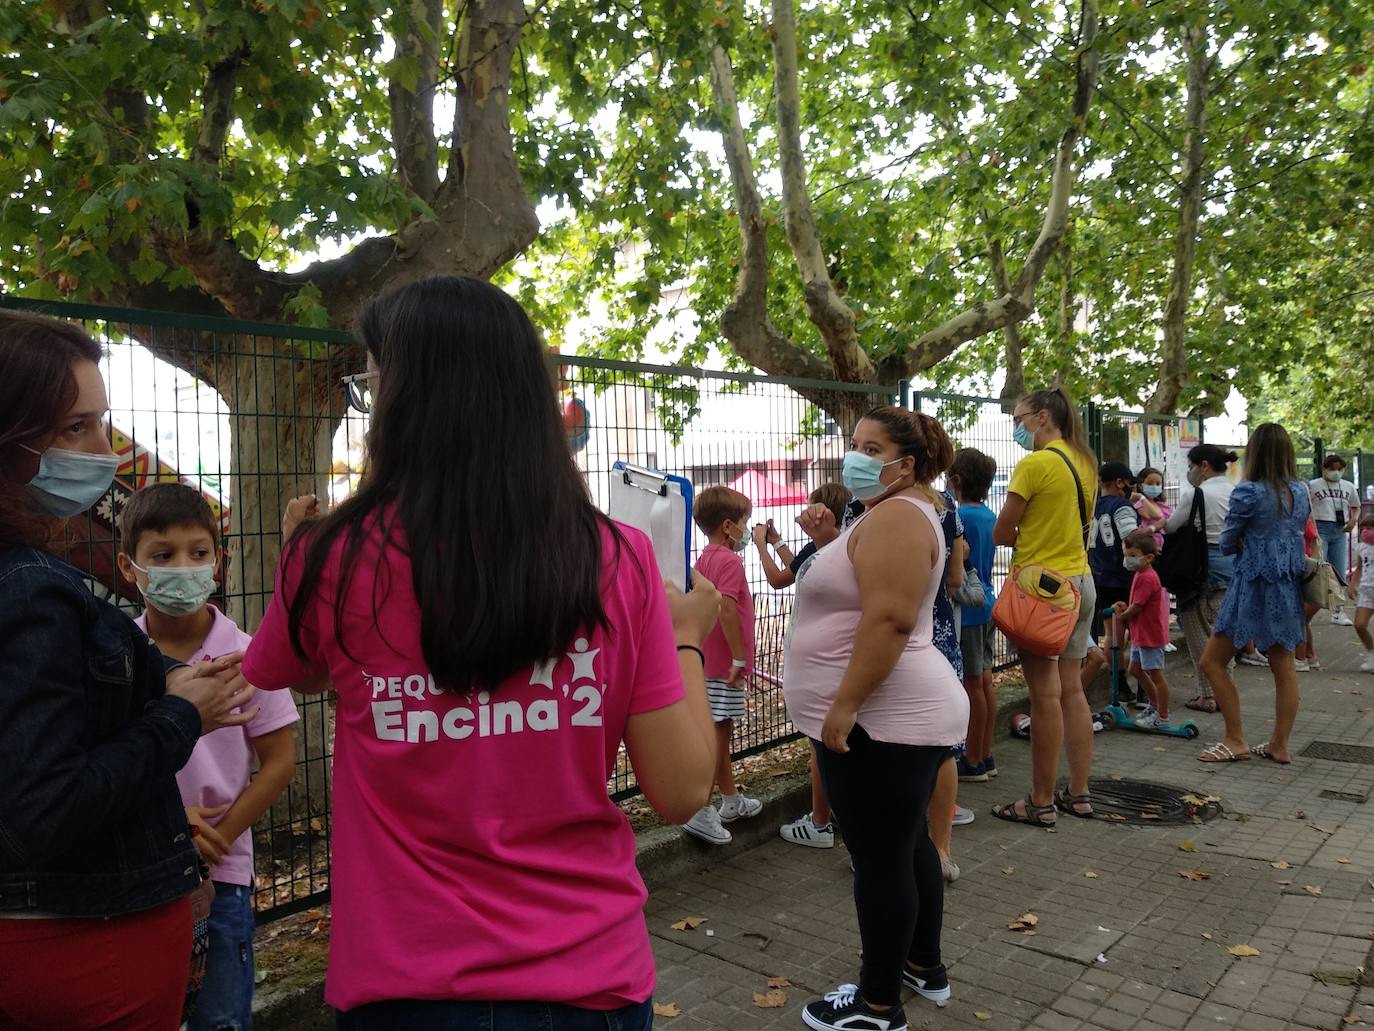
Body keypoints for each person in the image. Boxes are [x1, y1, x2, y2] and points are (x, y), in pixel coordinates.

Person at [239, 276, 722, 1028]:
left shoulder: (329, 558)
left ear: (407, 401)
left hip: (404, 986)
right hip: (586, 979)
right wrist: (686, 631)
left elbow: (290, 670)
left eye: (371, 384)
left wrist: (321, 587)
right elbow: (684, 790)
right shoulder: (618, 558)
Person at [0, 310, 257, 1030]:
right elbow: (43, 807)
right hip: (84, 952)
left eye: (103, 423)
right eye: (76, 428)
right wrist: (179, 715)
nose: (104, 451)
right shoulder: (28, 590)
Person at [785, 406, 968, 1029]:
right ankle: (922, 967)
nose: (854, 455)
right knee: (906, 843)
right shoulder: (893, 512)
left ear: (906, 463)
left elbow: (888, 619)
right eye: (853, 442)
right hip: (889, 720)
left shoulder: (899, 517)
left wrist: (845, 706)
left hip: (881, 723)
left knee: (880, 859)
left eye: (870, 446)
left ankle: (877, 1004)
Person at [117, 482, 300, 1031]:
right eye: (162, 555)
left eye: (198, 553)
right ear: (130, 568)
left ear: (219, 563)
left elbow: (279, 762)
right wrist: (172, 827)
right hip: (136, 871)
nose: (183, 567)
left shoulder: (250, 656)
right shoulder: (114, 659)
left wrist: (216, 839)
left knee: (220, 1015)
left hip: (221, 874)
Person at [992, 388, 1099, 826]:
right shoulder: (1085, 461)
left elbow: (1002, 531)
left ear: (1039, 417)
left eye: (1017, 418)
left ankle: (1039, 801)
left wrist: (1029, 537)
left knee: (1044, 696)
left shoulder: (1035, 464)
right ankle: (1079, 792)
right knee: (1072, 690)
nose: (1015, 427)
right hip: (1082, 583)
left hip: (1043, 592)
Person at [1196, 423, 1310, 766]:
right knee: (1284, 666)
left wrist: (1248, 540)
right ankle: (1279, 744)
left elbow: (1228, 541)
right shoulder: (1300, 491)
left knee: (1211, 661)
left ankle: (1235, 738)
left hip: (1251, 587)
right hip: (1287, 587)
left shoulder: (1249, 492)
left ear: (1255, 452)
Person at [755, 484, 853, 850]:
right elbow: (797, 564)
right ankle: (837, 816)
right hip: (836, 661)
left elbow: (780, 579)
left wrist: (762, 546)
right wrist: (780, 541)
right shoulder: (839, 546)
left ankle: (820, 821)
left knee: (821, 743)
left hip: (822, 664)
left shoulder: (827, 550)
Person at [686, 485, 762, 845]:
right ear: (729, 525)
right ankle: (700, 810)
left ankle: (730, 801)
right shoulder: (729, 561)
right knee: (717, 737)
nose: (748, 528)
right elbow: (726, 607)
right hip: (723, 667)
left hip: (708, 663)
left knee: (720, 733)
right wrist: (739, 657)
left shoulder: (704, 560)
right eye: (745, 521)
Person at [1166, 445, 1238, 713]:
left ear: (1204, 465)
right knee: (1223, 635)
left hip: (1200, 569)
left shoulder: (1196, 494)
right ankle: (1226, 690)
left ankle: (1208, 695)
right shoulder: (1235, 491)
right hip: (1232, 566)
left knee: (1198, 635)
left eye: (1191, 466)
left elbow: (1173, 526)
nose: (1190, 471)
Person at [950, 448, 999, 783]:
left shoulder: (960, 518)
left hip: (967, 610)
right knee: (983, 680)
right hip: (987, 602)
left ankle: (973, 758)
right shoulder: (989, 515)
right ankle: (984, 752)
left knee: (971, 684)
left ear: (956, 481)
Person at [1080, 462, 1140, 700]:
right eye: (1129, 483)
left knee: (1112, 633)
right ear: (1119, 483)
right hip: (1122, 577)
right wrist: (1153, 529)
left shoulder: (1092, 507)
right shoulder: (1123, 506)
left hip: (1097, 576)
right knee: (1133, 633)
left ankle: (1120, 685)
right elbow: (1131, 538)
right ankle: (1135, 685)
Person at [1112, 533, 1172, 729]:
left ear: (1148, 557)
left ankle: (1162, 715)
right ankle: (1154, 705)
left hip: (1150, 635)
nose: (1128, 559)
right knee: (1135, 669)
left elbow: (1137, 606)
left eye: (1133, 555)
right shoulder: (1140, 574)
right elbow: (1135, 604)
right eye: (1126, 554)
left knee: (1156, 674)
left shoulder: (1148, 577)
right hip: (1141, 633)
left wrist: (1122, 616)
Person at [1309, 454, 1359, 626]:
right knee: (1316, 569)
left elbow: (1356, 506)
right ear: (1324, 469)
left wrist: (1353, 519)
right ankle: (1308, 608)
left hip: (1339, 530)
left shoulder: (1348, 486)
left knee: (1338, 570)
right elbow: (1306, 507)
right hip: (1320, 528)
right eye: (1332, 469)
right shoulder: (1313, 485)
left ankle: (1338, 611)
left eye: (1339, 469)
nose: (1336, 473)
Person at [1348, 513, 1374, 672]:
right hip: (1367, 590)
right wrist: (1352, 584)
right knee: (1359, 624)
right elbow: (1359, 568)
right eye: (1362, 528)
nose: (1365, 531)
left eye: (1369, 528)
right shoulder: (1362, 547)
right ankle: (1372, 653)